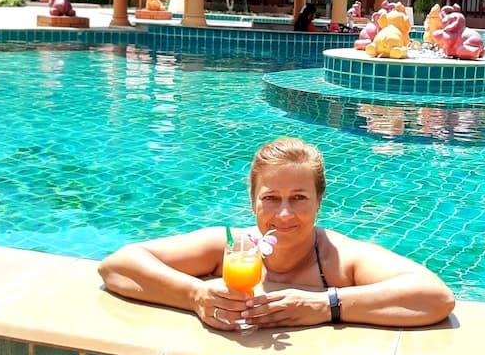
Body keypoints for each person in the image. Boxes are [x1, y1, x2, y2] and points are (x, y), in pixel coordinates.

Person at [99, 137, 455, 329]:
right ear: (253, 201)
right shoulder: (230, 246)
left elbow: (435, 296)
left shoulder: (337, 258)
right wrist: (195, 295)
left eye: (299, 198)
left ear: (319, 202)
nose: (284, 214)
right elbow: (117, 266)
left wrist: (325, 306)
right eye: (271, 198)